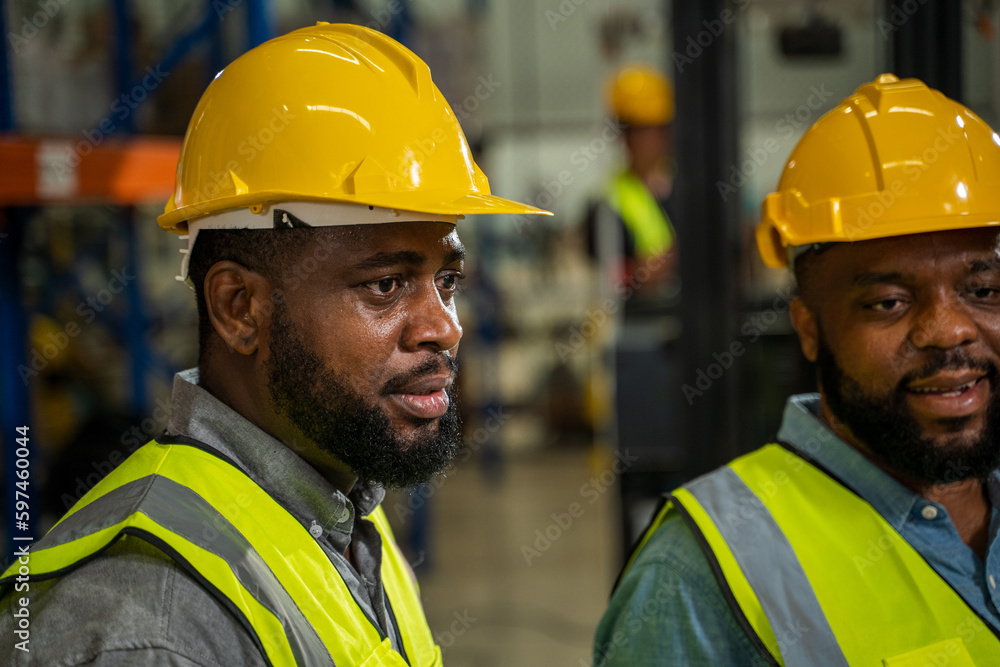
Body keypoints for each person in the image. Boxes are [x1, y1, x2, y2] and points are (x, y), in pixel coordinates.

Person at [0, 23, 545, 666]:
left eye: (446, 280)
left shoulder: (347, 517)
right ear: (239, 308)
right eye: (386, 285)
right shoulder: (153, 628)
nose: (444, 326)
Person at [594, 73, 1000, 665]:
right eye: (888, 302)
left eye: (984, 289)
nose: (950, 330)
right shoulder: (698, 579)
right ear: (808, 327)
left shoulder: (700, 192)